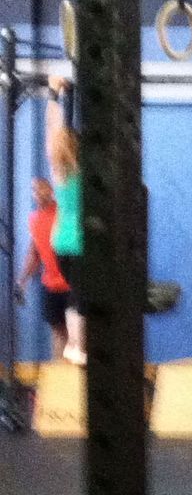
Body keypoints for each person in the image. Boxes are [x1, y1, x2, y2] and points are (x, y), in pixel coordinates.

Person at [42, 79, 84, 364]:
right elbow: (59, 136)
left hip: (62, 241)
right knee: (81, 296)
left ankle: (77, 345)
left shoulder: (60, 173)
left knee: (79, 295)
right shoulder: (82, 172)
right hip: (79, 241)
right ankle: (76, 346)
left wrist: (54, 95)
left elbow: (52, 132)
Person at [14, 173, 71, 362]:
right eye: (34, 190)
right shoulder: (34, 220)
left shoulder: (62, 213)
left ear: (51, 191)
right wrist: (22, 280)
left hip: (71, 284)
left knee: (75, 333)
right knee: (57, 331)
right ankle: (59, 373)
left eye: (41, 188)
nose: (37, 192)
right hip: (51, 284)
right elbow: (34, 252)